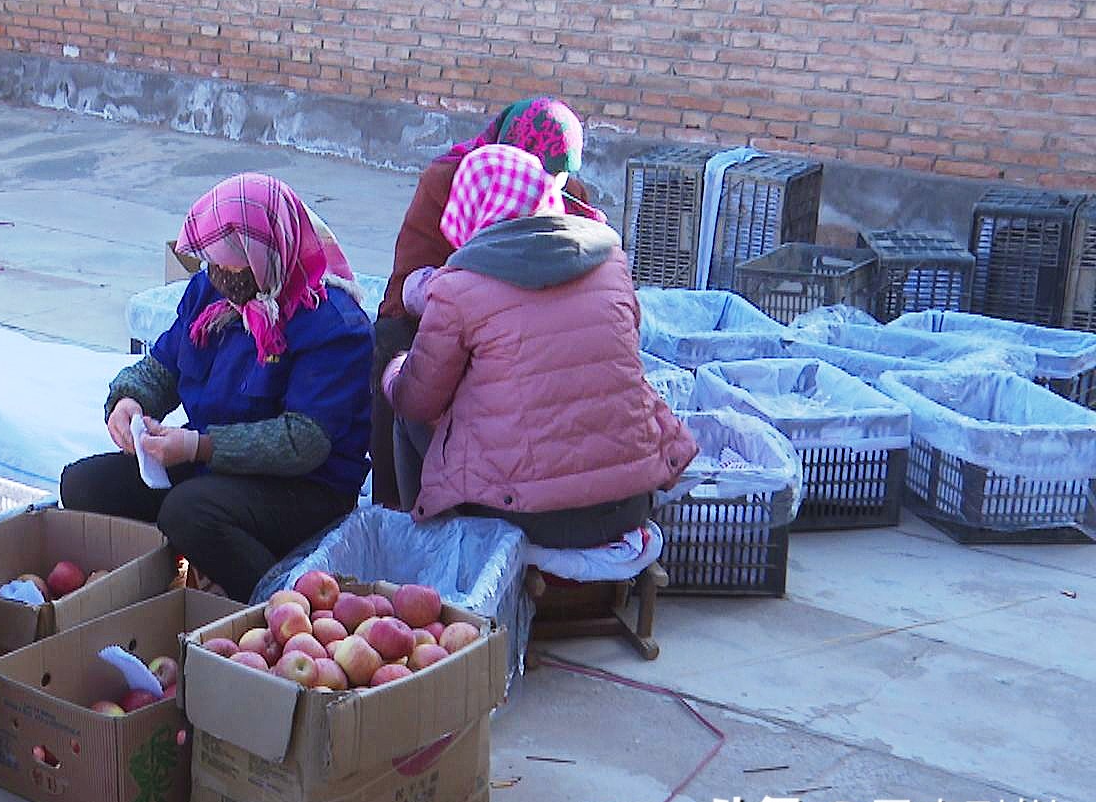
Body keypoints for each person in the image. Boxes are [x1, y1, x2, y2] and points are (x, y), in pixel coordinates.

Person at [60, 173, 372, 599]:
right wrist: (128, 400)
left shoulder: (332, 323)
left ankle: (275, 602)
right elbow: (165, 364)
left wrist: (197, 446)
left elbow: (303, 441)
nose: (219, 273)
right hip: (213, 463)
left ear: (268, 252)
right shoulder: (211, 293)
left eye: (232, 262)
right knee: (84, 484)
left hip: (306, 487)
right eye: (213, 261)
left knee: (190, 511)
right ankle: (167, 586)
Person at [381, 145, 696, 547]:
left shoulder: (458, 288)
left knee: (408, 413)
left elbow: (418, 401)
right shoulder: (612, 263)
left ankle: (428, 552)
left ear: (470, 208)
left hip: (525, 518)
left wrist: (396, 369)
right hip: (630, 501)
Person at [369, 96, 603, 507]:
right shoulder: (451, 182)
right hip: (613, 494)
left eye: (552, 177)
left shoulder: (575, 205)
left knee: (413, 398)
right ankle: (393, 512)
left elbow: (414, 397)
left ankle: (437, 512)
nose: (538, 190)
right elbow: (402, 293)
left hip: (523, 369)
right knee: (391, 341)